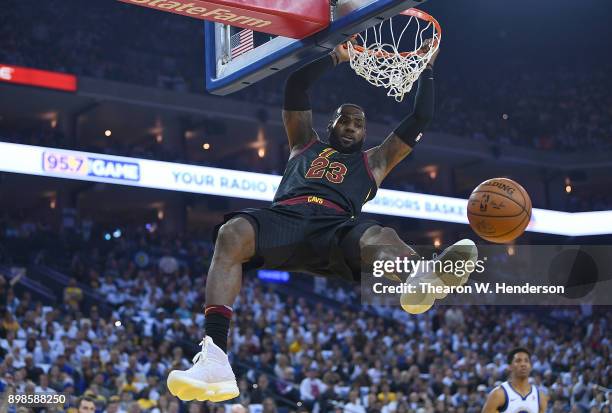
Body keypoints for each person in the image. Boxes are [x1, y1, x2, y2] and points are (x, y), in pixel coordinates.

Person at [168, 39, 477, 402]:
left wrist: (426, 68)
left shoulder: (374, 161)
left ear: (365, 133)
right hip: (287, 217)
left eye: (358, 124)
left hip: (335, 228)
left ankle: (419, 278)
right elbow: (295, 86)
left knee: (378, 233)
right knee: (231, 232)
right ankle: (215, 359)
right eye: (344, 119)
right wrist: (336, 55)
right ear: (331, 124)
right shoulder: (303, 143)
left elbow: (419, 118)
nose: (350, 126)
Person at [481, 348, 548, 413]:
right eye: (518, 361)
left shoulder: (540, 396)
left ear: (530, 366)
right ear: (510, 367)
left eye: (526, 361)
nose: (523, 364)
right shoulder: (498, 394)